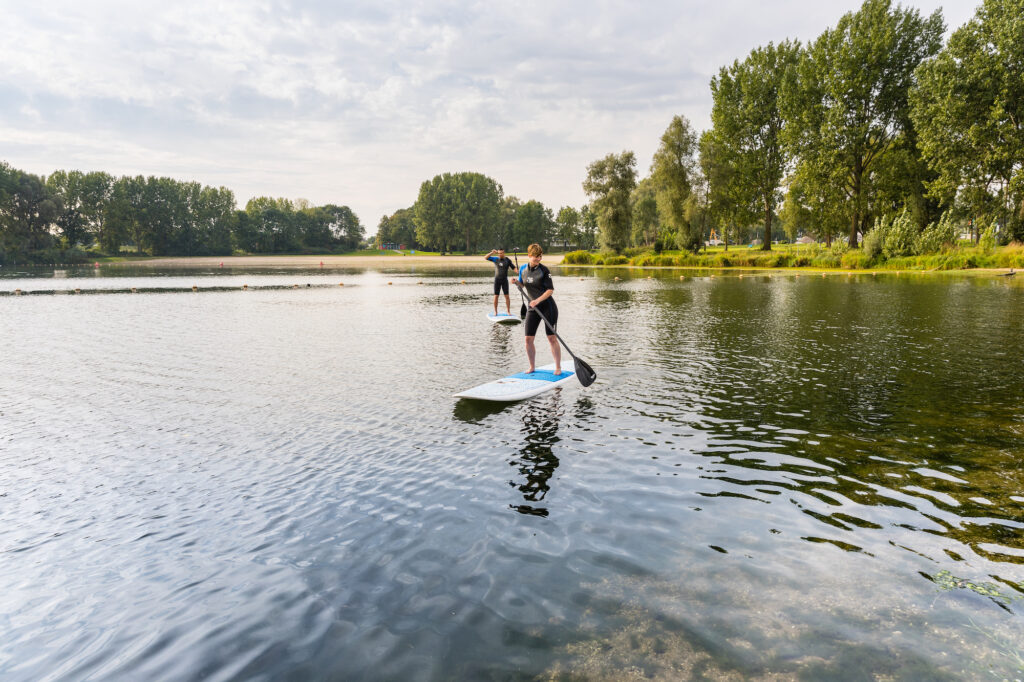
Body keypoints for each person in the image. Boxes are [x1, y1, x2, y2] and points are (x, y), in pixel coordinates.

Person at [515, 243, 561, 375]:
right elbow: (522, 285)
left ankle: (557, 367)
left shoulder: (544, 270)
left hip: (547, 307)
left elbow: (550, 290)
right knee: (528, 339)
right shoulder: (523, 268)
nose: (538, 260)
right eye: (536, 257)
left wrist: (537, 300)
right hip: (532, 308)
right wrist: (516, 282)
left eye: (540, 257)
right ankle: (532, 367)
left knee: (551, 338)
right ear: (529, 256)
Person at [485, 248, 515, 315]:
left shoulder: (507, 260)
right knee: (496, 296)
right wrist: (492, 252)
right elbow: (486, 257)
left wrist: (517, 271)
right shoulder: (495, 259)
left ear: (504, 253)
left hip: (504, 280)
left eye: (501, 253)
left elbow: (513, 267)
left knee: (507, 296)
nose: (500, 254)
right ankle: (495, 311)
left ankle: (508, 311)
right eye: (498, 253)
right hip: (497, 280)